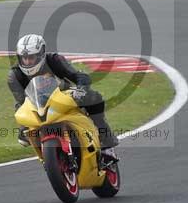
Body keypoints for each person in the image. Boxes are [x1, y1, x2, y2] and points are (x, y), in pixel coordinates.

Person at [8, 33, 119, 163]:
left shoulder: (54, 60)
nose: (27, 62)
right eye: (24, 58)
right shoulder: (14, 75)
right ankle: (47, 158)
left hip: (64, 95)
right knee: (23, 129)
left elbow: (80, 76)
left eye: (31, 58)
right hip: (37, 105)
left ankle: (106, 142)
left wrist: (81, 89)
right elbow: (22, 101)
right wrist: (24, 125)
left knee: (95, 98)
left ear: (41, 54)